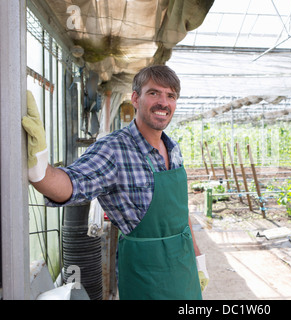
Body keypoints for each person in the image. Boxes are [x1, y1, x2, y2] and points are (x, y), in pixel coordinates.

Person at [22, 65, 208, 300]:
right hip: (147, 278)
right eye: (154, 93)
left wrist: (198, 257)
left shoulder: (173, 148)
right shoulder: (114, 149)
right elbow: (71, 184)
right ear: (135, 99)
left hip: (185, 271)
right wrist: (40, 170)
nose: (163, 102)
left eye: (170, 96)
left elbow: (181, 212)